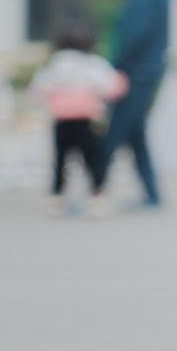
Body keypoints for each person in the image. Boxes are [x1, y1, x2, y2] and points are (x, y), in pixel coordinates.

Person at [28, 21, 128, 216]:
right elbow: (110, 86)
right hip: (87, 120)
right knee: (93, 160)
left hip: (63, 121)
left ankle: (56, 198)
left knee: (60, 161)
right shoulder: (94, 64)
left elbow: (40, 87)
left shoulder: (57, 63)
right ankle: (96, 197)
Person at [104, 0, 172, 208]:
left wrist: (115, 63)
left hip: (136, 70)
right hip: (145, 68)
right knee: (134, 130)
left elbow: (136, 32)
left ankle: (95, 188)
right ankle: (151, 192)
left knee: (116, 129)